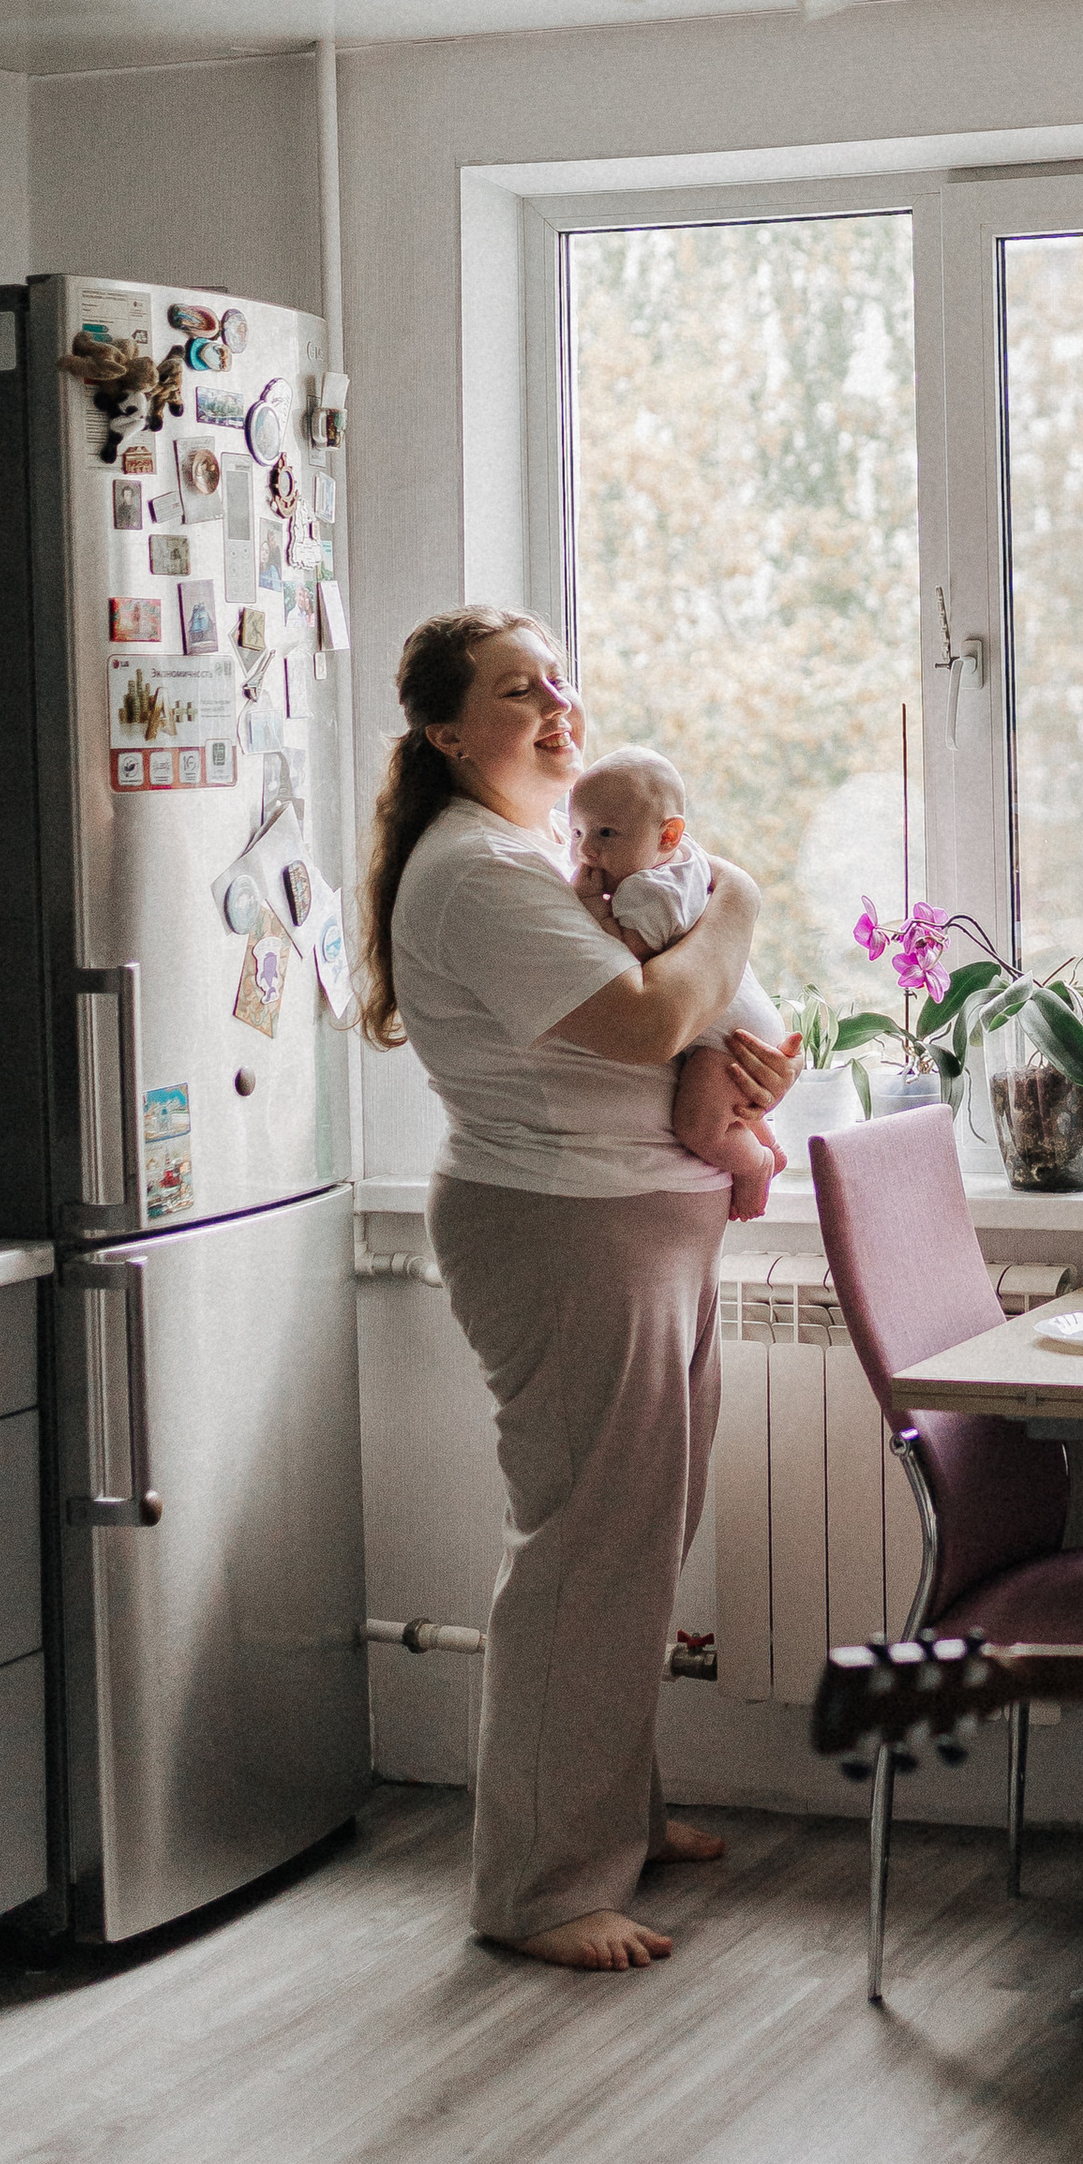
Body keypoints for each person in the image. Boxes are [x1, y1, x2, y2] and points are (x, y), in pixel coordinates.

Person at [356, 608, 798, 1972]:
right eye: (513, 692)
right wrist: (743, 909)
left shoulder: (549, 857)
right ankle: (543, 1888)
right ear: (444, 729)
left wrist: (748, 1073)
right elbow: (657, 1019)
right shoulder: (479, 871)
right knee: (583, 1555)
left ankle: (613, 1815)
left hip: (636, 1218)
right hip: (564, 1228)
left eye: (562, 683)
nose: (558, 708)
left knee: (635, 1541)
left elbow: (674, 1036)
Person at [569, 747, 788, 1220]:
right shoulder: (690, 862)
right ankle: (766, 1145)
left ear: (668, 834)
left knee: (700, 1127)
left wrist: (595, 909)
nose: (587, 850)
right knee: (722, 1109)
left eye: (606, 833)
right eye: (579, 832)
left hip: (728, 1042)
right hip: (747, 1021)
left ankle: (757, 1165)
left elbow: (634, 960)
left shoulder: (646, 893)